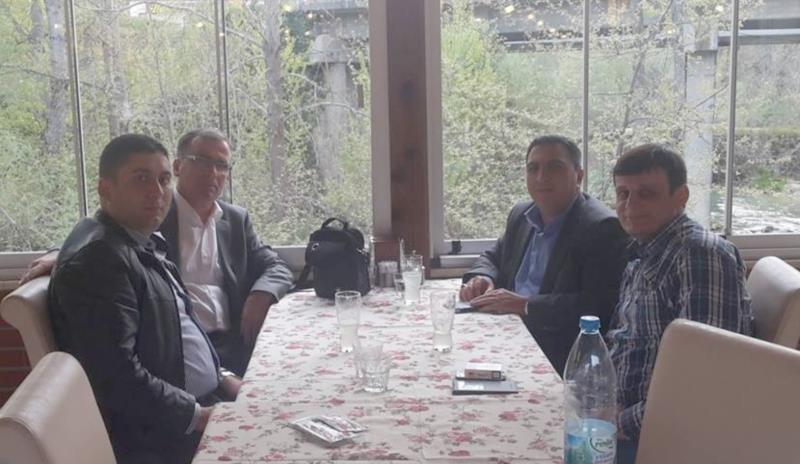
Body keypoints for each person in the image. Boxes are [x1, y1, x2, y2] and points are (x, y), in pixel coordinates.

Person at [22, 128, 293, 375]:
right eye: (201, 161)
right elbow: (105, 231)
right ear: (178, 166)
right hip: (177, 349)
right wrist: (59, 253)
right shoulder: (153, 211)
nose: (212, 173)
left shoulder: (235, 220)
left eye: (221, 165)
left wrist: (261, 294)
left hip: (233, 345)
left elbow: (276, 266)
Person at [48, 134, 241, 464]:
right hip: (162, 437)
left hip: (198, 403)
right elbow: (116, 377)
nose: (157, 192)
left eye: (164, 179)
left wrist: (222, 377)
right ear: (106, 189)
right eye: (141, 179)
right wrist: (199, 417)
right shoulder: (99, 261)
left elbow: (180, 334)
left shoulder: (139, 241)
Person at [606, 144, 752, 463]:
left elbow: (704, 378)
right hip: (619, 416)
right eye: (623, 193)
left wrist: (617, 424)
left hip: (661, 437)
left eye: (646, 194)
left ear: (681, 196)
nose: (630, 205)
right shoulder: (646, 250)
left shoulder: (700, 255)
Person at [460, 135, 630, 374]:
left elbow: (597, 305)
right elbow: (493, 256)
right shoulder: (522, 214)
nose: (541, 177)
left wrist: (526, 305)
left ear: (579, 176)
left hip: (555, 353)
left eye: (555, 167)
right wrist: (482, 277)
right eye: (533, 168)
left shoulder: (601, 227)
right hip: (506, 332)